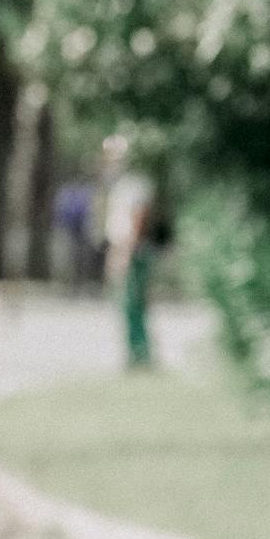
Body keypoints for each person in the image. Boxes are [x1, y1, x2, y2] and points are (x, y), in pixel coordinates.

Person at [99, 134, 156, 367]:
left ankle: (140, 353)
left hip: (133, 251)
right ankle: (134, 352)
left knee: (132, 303)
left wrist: (125, 251)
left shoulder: (134, 184)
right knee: (125, 304)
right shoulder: (120, 186)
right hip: (122, 248)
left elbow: (137, 219)